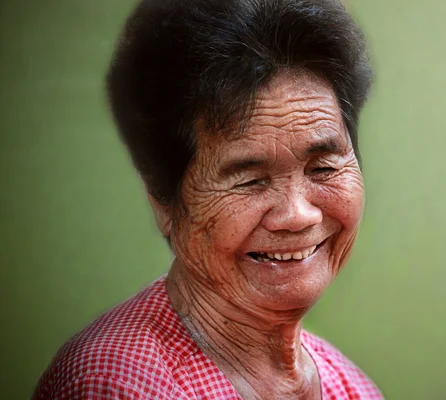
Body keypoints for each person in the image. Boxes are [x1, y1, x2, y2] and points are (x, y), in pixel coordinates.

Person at [33, 0, 381, 398]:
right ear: (163, 200)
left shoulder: (351, 388)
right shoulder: (115, 385)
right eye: (250, 180)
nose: (297, 214)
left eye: (323, 168)